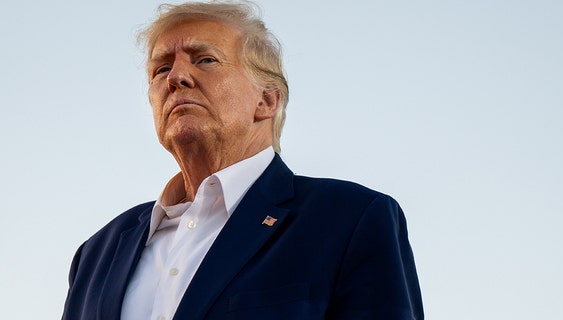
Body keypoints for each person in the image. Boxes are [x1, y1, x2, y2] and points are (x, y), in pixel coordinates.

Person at [61, 1, 423, 319]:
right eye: (160, 69)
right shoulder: (96, 253)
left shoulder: (351, 219)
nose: (176, 77)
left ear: (267, 100)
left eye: (205, 59)